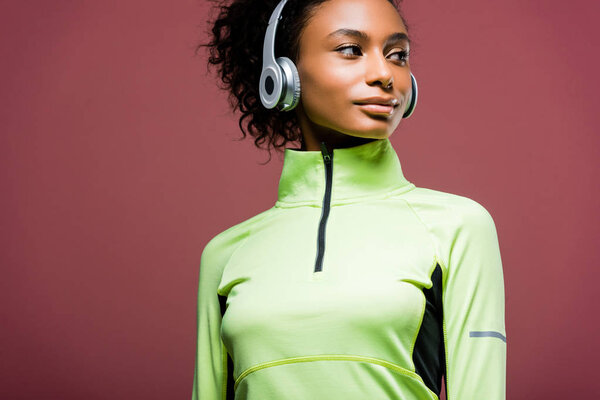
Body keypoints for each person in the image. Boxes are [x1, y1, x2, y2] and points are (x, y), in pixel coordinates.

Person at [192, 0, 507, 399]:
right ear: (283, 74)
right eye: (350, 50)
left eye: (398, 56)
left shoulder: (457, 227)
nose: (384, 74)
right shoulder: (225, 254)